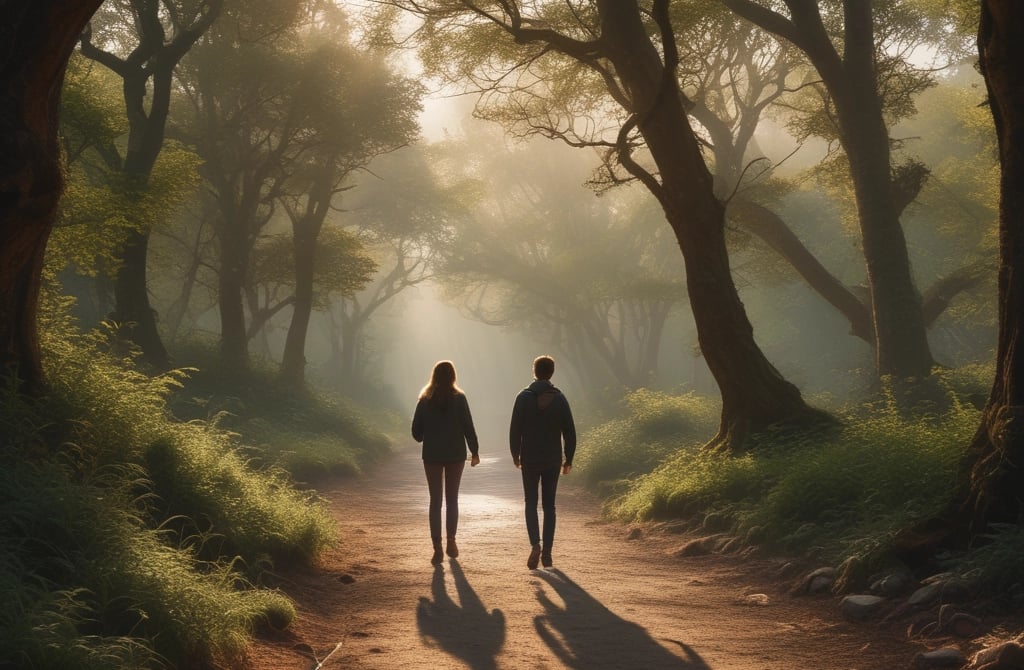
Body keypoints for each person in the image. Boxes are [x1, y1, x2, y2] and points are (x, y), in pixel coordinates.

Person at [509, 355, 576, 569]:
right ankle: (547, 552)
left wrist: (515, 454)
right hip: (552, 459)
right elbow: (569, 431)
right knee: (549, 506)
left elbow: (515, 429)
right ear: (551, 372)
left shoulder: (523, 397)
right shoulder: (560, 399)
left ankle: (535, 545)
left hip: (529, 458)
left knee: (530, 503)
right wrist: (568, 458)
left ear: (534, 371)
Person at [412, 360, 481, 564]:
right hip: (455, 455)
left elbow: (416, 432)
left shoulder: (425, 399)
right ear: (453, 376)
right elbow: (468, 426)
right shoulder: (459, 398)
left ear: (433, 375)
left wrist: (427, 433)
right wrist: (474, 451)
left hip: (432, 455)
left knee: (435, 501)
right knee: (452, 500)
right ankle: (451, 540)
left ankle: (437, 548)